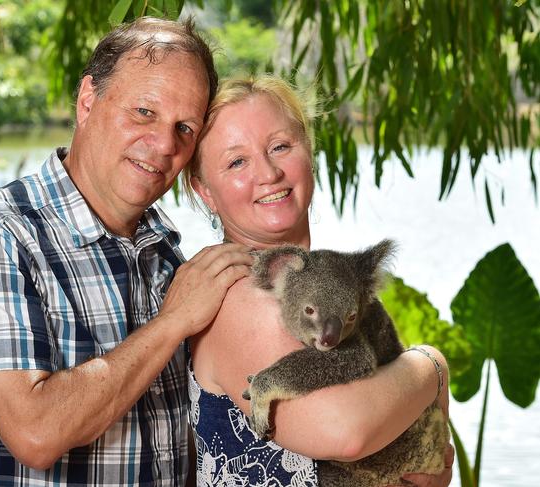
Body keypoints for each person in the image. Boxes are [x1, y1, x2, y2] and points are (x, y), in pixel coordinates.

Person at [0, 17, 254, 486]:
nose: (163, 145)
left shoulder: (170, 261)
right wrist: (174, 321)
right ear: (88, 100)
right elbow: (36, 432)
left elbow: (204, 446)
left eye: (185, 127)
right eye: (143, 112)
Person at [182, 76, 454, 486]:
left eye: (279, 147)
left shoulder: (327, 281)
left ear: (309, 151)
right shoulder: (241, 296)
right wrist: (433, 366)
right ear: (204, 189)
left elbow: (427, 469)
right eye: (236, 161)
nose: (269, 172)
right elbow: (346, 432)